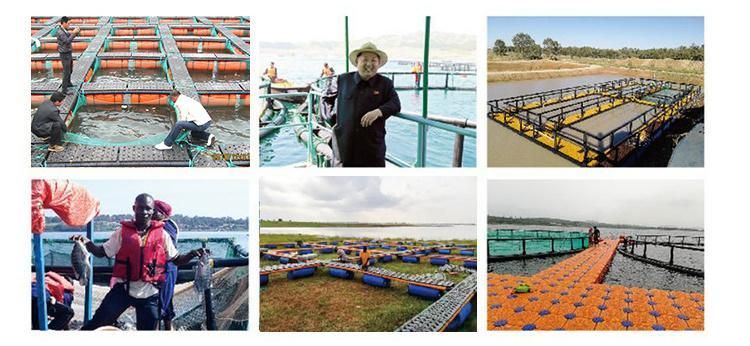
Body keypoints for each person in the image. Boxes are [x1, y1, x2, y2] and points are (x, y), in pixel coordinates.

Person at [71, 193, 209, 330]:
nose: (144, 212)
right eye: (140, 208)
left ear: (153, 211)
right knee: (96, 325)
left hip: (150, 293)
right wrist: (86, 242)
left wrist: (192, 254)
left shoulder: (163, 234)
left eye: (148, 208)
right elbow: (101, 252)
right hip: (123, 290)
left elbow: (177, 260)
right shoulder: (121, 232)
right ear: (134, 208)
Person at [326, 42, 401, 167]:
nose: (369, 64)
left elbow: (395, 104)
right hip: (344, 145)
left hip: (372, 146)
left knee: (372, 183)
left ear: (378, 64)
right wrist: (333, 120)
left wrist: (379, 111)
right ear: (357, 62)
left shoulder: (385, 83)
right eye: (364, 60)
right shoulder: (342, 80)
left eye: (373, 60)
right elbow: (326, 98)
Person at [152, 200, 178, 330]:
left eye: (153, 210)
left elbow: (167, 251)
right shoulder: (157, 225)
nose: (150, 212)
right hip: (160, 270)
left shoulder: (166, 228)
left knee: (160, 305)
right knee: (166, 305)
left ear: (163, 214)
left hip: (166, 270)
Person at [57, 17, 80, 94]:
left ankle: (69, 83)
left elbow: (70, 36)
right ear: (64, 23)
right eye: (68, 23)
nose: (69, 25)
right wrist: (73, 33)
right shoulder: (60, 32)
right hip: (64, 54)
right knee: (66, 71)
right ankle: (64, 90)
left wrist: (76, 32)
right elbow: (67, 41)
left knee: (70, 69)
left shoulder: (64, 30)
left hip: (68, 52)